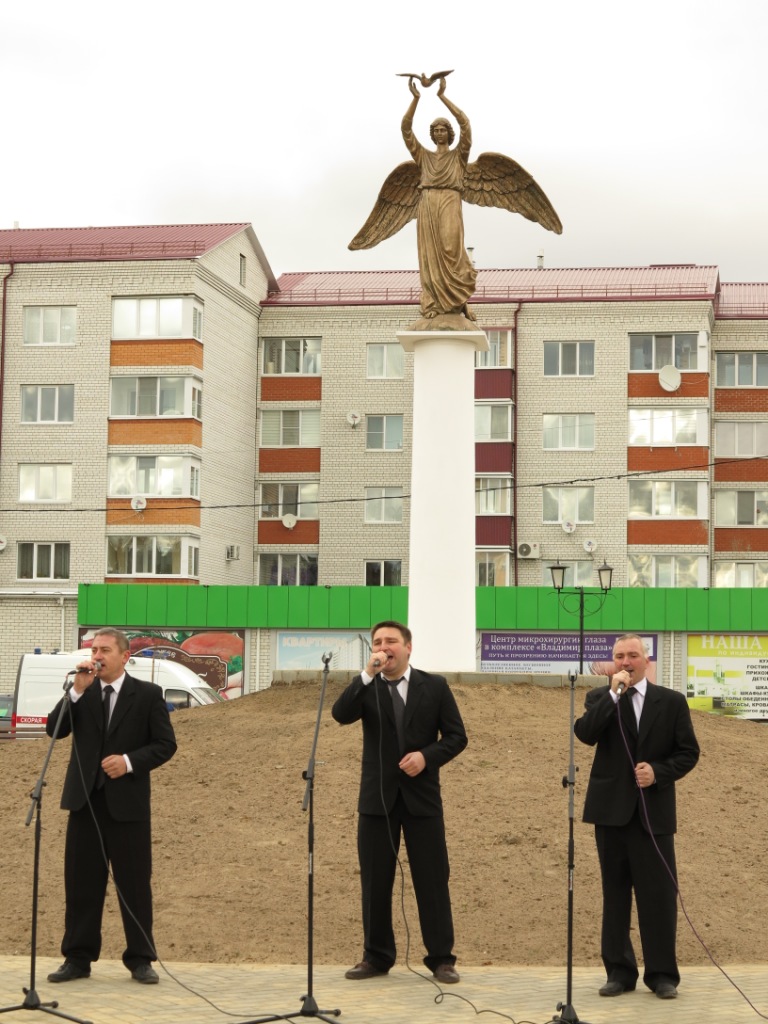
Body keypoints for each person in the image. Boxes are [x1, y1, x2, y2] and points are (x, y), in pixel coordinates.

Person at [332, 620, 467, 983]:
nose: (383, 647)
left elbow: (456, 736)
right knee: (375, 882)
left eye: (391, 641)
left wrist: (426, 757)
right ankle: (376, 956)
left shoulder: (434, 686)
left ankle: (441, 959)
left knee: (432, 880)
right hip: (377, 800)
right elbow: (340, 714)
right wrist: (366, 674)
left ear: (408, 647)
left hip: (422, 799)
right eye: (377, 642)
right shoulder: (367, 686)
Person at [45, 627, 177, 985]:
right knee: (81, 883)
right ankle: (77, 958)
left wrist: (129, 762)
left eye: (104, 649)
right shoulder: (81, 691)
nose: (97, 656)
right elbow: (54, 730)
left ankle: (140, 959)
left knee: (134, 884)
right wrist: (75, 691)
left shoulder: (147, 694)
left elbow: (165, 745)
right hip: (84, 803)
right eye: (94, 649)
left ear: (124, 656)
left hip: (127, 806)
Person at [574, 633, 699, 1000]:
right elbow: (585, 734)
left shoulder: (671, 702)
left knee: (658, 897)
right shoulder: (600, 698)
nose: (625, 662)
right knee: (615, 896)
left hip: (652, 816)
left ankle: (662, 975)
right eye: (619, 656)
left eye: (632, 655)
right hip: (611, 815)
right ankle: (619, 972)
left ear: (646, 660)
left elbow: (688, 752)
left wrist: (658, 772)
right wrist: (614, 695)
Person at [401, 77, 477, 321]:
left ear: (449, 133)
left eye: (443, 129)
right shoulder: (424, 157)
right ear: (432, 135)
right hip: (428, 203)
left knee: (452, 250)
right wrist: (415, 99)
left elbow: (466, 125)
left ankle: (459, 301)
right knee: (430, 256)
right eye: (436, 130)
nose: (440, 133)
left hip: (450, 200)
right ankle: (434, 301)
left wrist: (442, 96)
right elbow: (405, 130)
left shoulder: (459, 156)